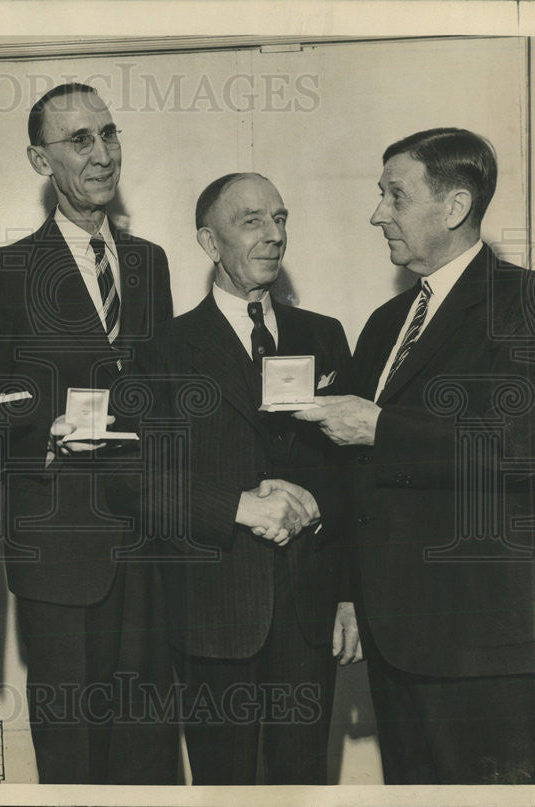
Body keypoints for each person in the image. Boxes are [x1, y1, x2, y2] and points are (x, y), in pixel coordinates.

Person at [295, 128, 535, 784]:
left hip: (478, 644)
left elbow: (521, 446)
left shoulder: (529, 304)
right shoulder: (386, 321)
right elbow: (361, 479)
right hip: (392, 641)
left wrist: (382, 427)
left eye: (394, 197)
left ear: (455, 206)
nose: (379, 214)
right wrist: (349, 594)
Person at [0, 83, 178, 784]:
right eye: (80, 140)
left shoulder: (150, 262)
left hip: (148, 541)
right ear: (38, 158)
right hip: (60, 546)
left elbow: (162, 394)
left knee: (148, 741)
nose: (102, 153)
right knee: (73, 746)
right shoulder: (3, 273)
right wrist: (42, 432)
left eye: (109, 134)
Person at [120, 172, 360, 784]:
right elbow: (133, 481)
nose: (275, 235)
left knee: (303, 783)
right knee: (223, 787)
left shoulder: (322, 336)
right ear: (209, 242)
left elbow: (357, 472)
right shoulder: (162, 349)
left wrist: (349, 592)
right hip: (213, 615)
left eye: (280, 219)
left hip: (309, 613)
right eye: (252, 221)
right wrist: (236, 507)